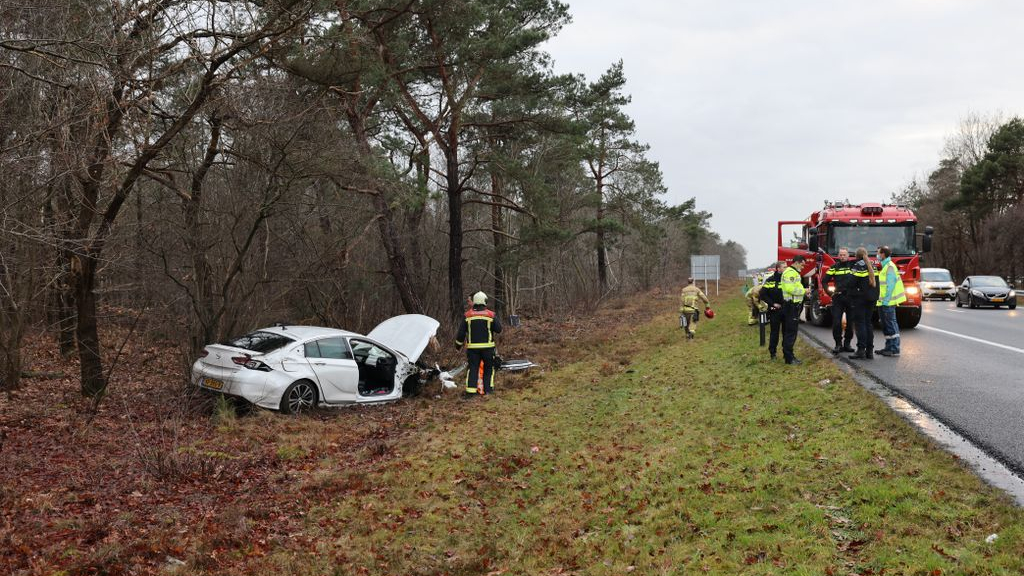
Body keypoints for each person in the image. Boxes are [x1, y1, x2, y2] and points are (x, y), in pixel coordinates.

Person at [455, 291, 502, 395]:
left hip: (473, 350)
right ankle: (488, 391)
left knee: (473, 369)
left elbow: (461, 334)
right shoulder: (491, 315)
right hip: (488, 349)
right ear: (485, 301)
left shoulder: (467, 315)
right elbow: (499, 329)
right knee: (488, 369)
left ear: (475, 301)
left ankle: (470, 393)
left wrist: (457, 346)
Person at [875, 245, 906, 357]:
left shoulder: (890, 266)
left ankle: (894, 348)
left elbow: (890, 285)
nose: (877, 255)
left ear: (883, 254)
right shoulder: (885, 266)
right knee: (885, 325)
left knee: (891, 324)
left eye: (878, 253)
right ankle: (888, 347)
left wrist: (886, 300)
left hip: (888, 302)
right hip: (883, 302)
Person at [824, 247, 856, 354]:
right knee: (837, 322)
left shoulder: (853, 266)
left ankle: (847, 344)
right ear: (838, 256)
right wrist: (830, 293)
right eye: (841, 255)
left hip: (851, 298)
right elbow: (824, 281)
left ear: (848, 256)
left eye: (844, 255)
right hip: (838, 298)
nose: (842, 257)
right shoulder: (834, 267)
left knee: (850, 323)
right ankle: (838, 344)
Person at [848, 246, 878, 360]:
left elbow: (851, 282)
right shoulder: (873, 266)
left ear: (856, 256)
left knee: (860, 324)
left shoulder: (858, 266)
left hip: (860, 299)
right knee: (868, 324)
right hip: (871, 299)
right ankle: (869, 351)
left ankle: (861, 350)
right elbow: (876, 284)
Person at [780, 255, 807, 365]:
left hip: (791, 305)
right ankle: (789, 358)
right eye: (802, 264)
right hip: (791, 306)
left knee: (789, 332)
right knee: (790, 333)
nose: (803, 267)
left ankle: (788, 356)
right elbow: (790, 288)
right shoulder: (791, 273)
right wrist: (804, 291)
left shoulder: (793, 272)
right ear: (797, 262)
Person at [758, 261, 785, 360]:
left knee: (786, 333)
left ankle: (786, 353)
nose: (786, 269)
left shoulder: (787, 280)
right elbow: (762, 294)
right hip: (774, 311)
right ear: (778, 268)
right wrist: (772, 304)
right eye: (784, 267)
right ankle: (773, 353)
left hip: (786, 310)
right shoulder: (770, 280)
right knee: (775, 333)